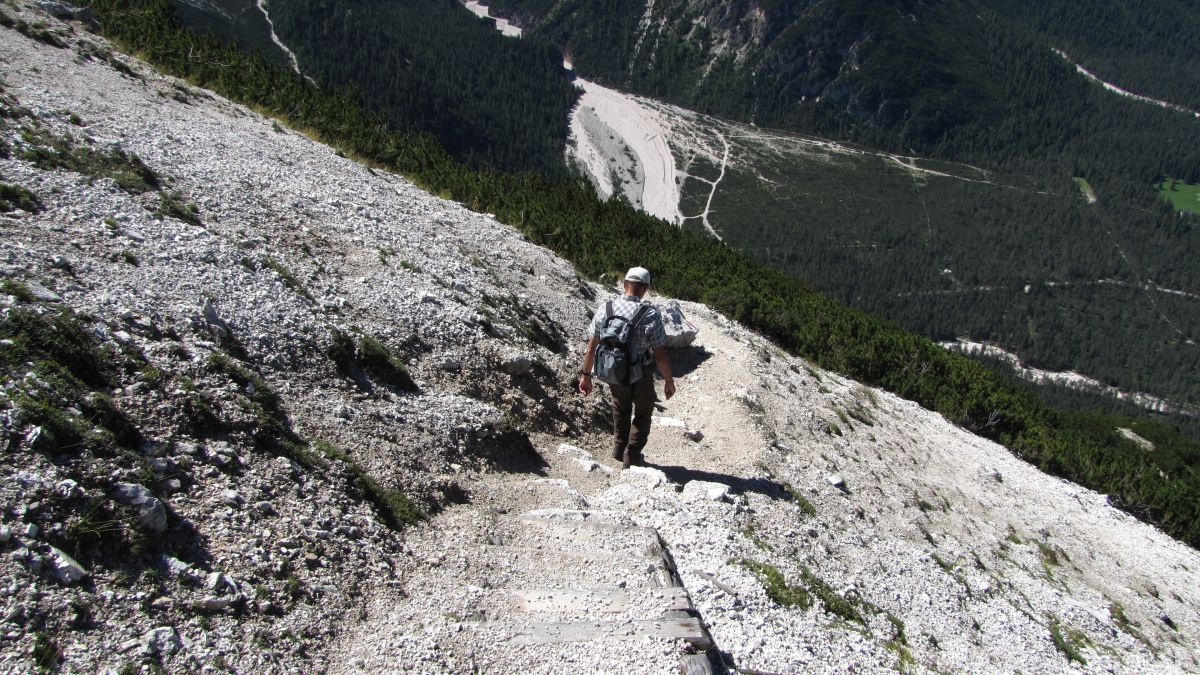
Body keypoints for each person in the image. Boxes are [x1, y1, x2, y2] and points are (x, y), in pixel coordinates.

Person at [578, 266, 676, 468]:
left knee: (620, 406)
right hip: (640, 372)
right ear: (645, 288)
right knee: (642, 411)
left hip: (613, 369)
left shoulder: (606, 309)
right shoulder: (649, 314)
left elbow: (591, 348)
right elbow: (660, 355)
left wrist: (586, 375)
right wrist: (668, 380)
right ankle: (631, 455)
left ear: (624, 284)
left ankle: (618, 448)